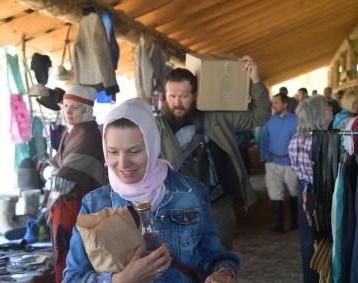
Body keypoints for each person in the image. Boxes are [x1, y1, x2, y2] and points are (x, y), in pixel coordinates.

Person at [63, 98, 240, 283]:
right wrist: (120, 280)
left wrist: (223, 272)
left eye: (134, 151)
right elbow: (72, 278)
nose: (123, 163)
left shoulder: (191, 193)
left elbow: (213, 253)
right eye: (113, 152)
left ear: (153, 145)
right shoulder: (94, 205)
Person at [156, 56, 271, 250]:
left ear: (194, 95)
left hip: (218, 209)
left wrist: (256, 81)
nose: (177, 102)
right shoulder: (155, 128)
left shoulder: (216, 116)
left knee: (219, 266)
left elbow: (260, 116)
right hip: (178, 212)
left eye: (183, 96)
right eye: (171, 96)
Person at [41, 85, 108, 283]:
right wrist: (50, 172)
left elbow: (59, 181)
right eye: (66, 106)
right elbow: (52, 167)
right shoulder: (73, 132)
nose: (68, 112)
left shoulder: (88, 136)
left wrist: (49, 172)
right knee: (64, 258)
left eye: (75, 108)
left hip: (78, 210)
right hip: (66, 209)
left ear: (86, 110)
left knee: (73, 262)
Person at [288, 96, 333, 283]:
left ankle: (311, 279)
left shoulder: (296, 139)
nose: (331, 108)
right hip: (323, 194)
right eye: (327, 107)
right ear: (319, 114)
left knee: (309, 242)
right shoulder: (322, 141)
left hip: (305, 192)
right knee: (327, 240)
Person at [261, 93, 299, 234]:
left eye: (276, 102)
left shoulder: (295, 121)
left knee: (294, 191)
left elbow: (299, 141)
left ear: (285, 104)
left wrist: (296, 160)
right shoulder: (269, 121)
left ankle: (294, 222)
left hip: (291, 163)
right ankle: (279, 224)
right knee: (275, 193)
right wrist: (266, 158)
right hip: (273, 162)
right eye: (273, 102)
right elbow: (265, 140)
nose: (273, 105)